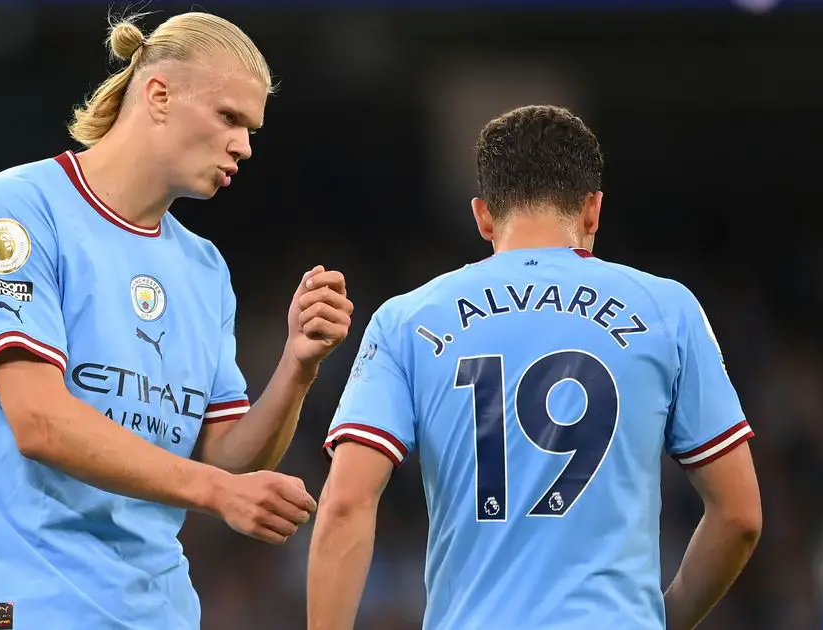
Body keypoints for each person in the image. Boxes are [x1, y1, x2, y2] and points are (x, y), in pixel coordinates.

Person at [0, 11, 353, 630]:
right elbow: (39, 422)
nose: (244, 145)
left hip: (160, 612)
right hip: (30, 605)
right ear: (159, 96)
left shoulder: (204, 268)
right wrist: (216, 492)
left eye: (251, 129)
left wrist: (297, 367)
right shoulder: (17, 212)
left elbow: (226, 459)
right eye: (229, 117)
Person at [306, 105, 761, 630]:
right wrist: (663, 619)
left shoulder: (407, 319)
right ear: (593, 210)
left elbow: (346, 505)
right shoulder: (667, 309)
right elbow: (740, 516)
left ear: (482, 216)